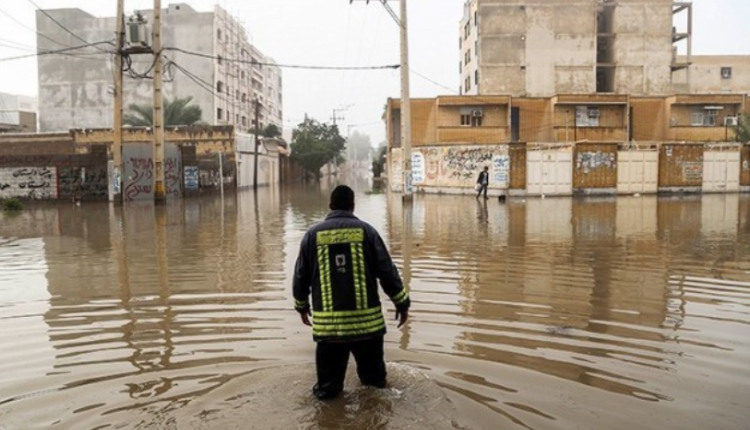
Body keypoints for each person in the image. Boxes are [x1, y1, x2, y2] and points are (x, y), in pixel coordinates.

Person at [293, 185, 411, 400]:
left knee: (327, 392)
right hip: (367, 328)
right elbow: (386, 271)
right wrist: (402, 303)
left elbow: (300, 276)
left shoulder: (311, 235)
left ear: (330, 205)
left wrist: (301, 306)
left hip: (330, 331)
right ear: (352, 206)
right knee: (375, 387)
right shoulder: (367, 232)